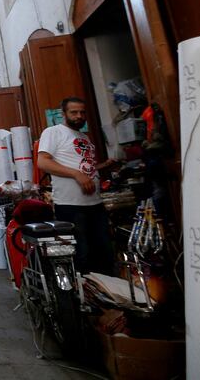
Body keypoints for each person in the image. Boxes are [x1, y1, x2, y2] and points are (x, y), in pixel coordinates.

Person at [37, 97, 117, 275]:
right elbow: (43, 162)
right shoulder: (53, 132)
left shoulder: (84, 137)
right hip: (71, 206)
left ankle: (102, 298)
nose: (79, 116)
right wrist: (76, 174)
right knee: (82, 257)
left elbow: (83, 168)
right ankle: (81, 299)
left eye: (82, 112)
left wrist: (101, 167)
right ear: (64, 114)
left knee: (104, 255)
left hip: (95, 204)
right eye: (74, 112)